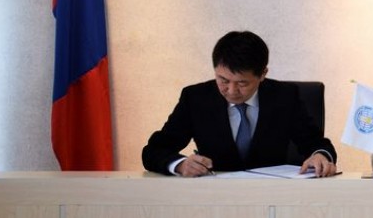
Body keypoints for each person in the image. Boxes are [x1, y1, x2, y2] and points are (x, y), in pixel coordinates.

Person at [142, 31, 337, 177]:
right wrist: (180, 165)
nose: (231, 90)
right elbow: (154, 151)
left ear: (263, 74)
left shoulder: (284, 97)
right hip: (214, 197)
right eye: (223, 80)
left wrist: (320, 156)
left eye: (242, 83)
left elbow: (317, 144)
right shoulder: (196, 98)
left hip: (272, 195)